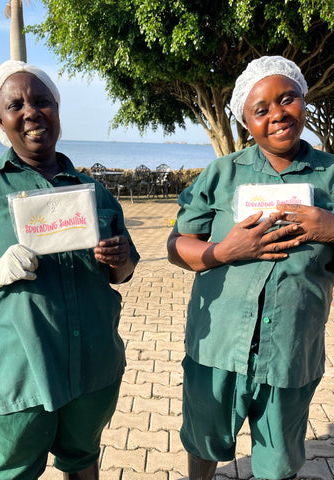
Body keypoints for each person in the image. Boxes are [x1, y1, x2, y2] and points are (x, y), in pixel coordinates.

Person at [167, 55, 334, 480]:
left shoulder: (331, 176)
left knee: (278, 464)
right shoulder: (222, 174)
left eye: (287, 99)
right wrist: (223, 251)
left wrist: (330, 227)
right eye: (261, 110)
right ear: (246, 121)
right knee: (204, 441)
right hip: (218, 347)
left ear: (303, 99)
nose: (277, 114)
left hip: (291, 350)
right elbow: (175, 245)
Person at [0, 60, 140, 480]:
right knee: (13, 468)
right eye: (16, 105)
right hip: (16, 369)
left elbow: (124, 272)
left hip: (92, 364)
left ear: (57, 111)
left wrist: (121, 261)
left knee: (82, 457)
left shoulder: (93, 189)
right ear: (0, 120)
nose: (31, 111)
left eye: (42, 101)